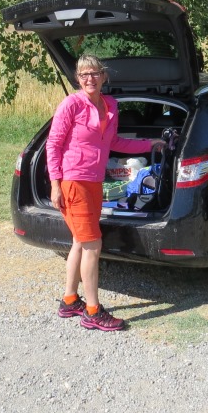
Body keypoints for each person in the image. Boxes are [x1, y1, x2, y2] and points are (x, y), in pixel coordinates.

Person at [46, 54, 163, 331]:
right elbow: (53, 145)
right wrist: (55, 185)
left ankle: (69, 300)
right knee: (92, 245)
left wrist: (150, 144)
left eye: (95, 73)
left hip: (95, 182)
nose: (90, 79)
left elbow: (115, 142)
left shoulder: (110, 105)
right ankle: (93, 311)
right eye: (84, 74)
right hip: (74, 181)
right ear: (77, 78)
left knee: (80, 241)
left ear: (103, 76)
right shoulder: (71, 104)